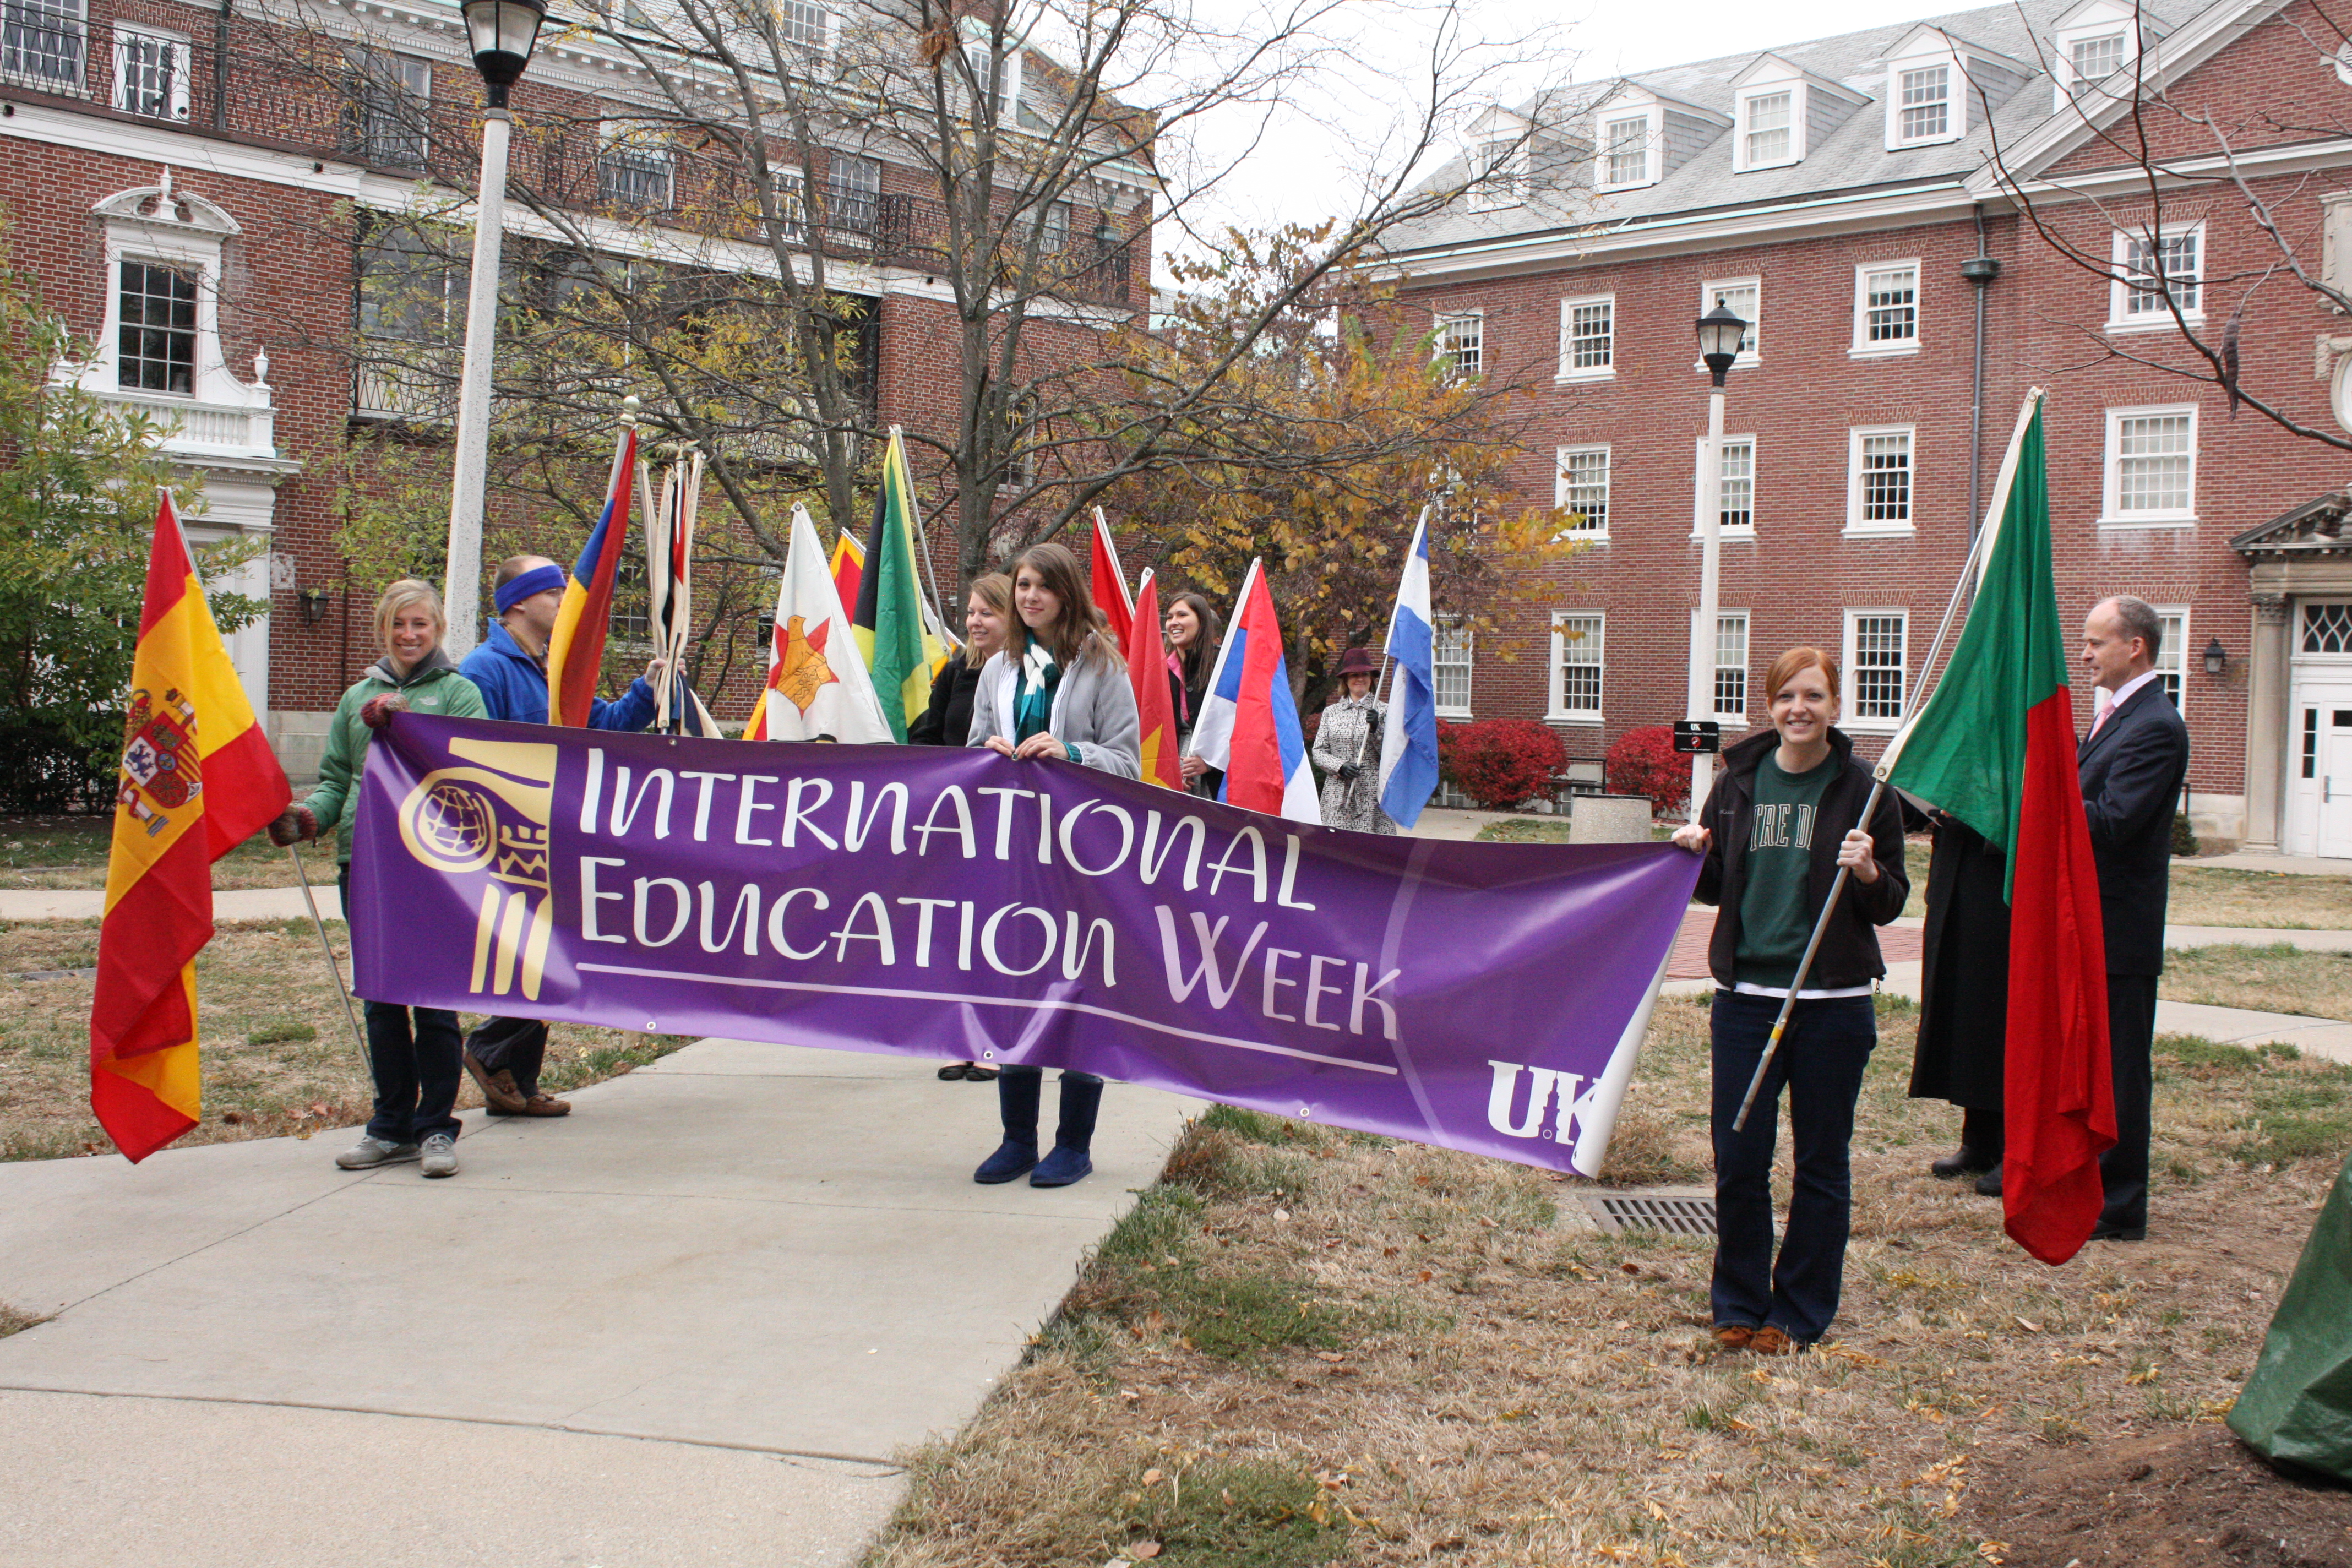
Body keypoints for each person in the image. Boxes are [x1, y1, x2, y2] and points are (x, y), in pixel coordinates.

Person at [1672, 647, 1909, 1354]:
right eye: (1785, 697)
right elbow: (1719, 882)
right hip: (1747, 998)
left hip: (1832, 1003)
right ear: (1769, 707)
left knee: (1820, 1162)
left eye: (1813, 696)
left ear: (1835, 707)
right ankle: (1739, 1302)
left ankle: (1798, 1312)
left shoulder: (1867, 792)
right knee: (1739, 1158)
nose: (1798, 709)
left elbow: (1891, 903)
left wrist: (1868, 869)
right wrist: (1692, 854)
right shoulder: (1739, 782)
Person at [268, 580, 488, 1178]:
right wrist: (309, 816)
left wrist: (406, 722)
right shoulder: (355, 698)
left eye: (420, 624)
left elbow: (471, 773)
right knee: (383, 1000)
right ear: (383, 630)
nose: (409, 635)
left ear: (437, 629)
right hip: (362, 862)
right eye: (398, 625)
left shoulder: (460, 693)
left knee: (434, 1001)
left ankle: (437, 1128)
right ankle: (390, 1126)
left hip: (433, 866)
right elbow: (339, 779)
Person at [456, 553, 667, 1118]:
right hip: (508, 839)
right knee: (538, 956)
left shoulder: (552, 667)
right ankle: (491, 1050)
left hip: (552, 834)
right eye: (554, 593)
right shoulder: (484, 670)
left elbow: (600, 726)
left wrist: (646, 690)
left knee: (550, 953)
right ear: (519, 602)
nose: (563, 602)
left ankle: (514, 1081)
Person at [966, 541, 1141, 1188]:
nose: (1029, 596)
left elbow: (1128, 761)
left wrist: (1071, 750)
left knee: (1078, 992)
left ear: (1067, 593)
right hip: (1014, 854)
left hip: (1082, 858)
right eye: (1022, 585)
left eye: (1042, 585)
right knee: (1016, 986)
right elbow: (970, 752)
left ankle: (1074, 1143)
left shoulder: (1104, 667)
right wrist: (985, 751)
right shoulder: (997, 670)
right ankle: (1017, 1138)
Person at [2078, 594, 2191, 1242]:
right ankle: (2093, 1179)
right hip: (2092, 922)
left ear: (2135, 647)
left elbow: (2115, 823)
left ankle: (2120, 1202)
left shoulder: (2154, 724)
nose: (2086, 654)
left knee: (2122, 1066)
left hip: (2120, 927)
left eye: (2096, 642)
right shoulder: (2113, 716)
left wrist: (2044, 807)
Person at [910, 571, 1012, 1082]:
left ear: (1011, 617)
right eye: (970, 612)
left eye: (986, 612)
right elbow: (928, 735)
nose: (974, 621)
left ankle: (992, 1039)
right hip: (955, 826)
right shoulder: (954, 671)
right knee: (954, 933)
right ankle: (955, 1037)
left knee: (995, 936)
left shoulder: (1028, 676)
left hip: (1009, 831)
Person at [1909, 813, 2011, 1195]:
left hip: (1999, 873)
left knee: (1993, 1006)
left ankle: (2010, 1144)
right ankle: (1979, 1137)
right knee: (1965, 1004)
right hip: (1958, 859)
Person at [1310, 646, 1395, 834]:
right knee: (1335, 844)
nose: (1360, 679)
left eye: (1364, 674)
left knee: (1370, 847)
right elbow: (1319, 751)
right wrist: (1339, 766)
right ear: (1346, 680)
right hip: (1337, 791)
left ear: (1371, 678)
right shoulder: (1331, 713)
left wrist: (1377, 730)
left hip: (1371, 791)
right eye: (1354, 675)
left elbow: (1392, 754)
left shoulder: (1384, 711)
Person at [1163, 590, 1223, 799]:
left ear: (1202, 622)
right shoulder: (1162, 671)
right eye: (1169, 617)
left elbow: (1244, 726)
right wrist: (1169, 771)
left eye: (1182, 615)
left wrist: (1212, 762)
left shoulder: (1224, 668)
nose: (1173, 622)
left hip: (1218, 781)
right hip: (1174, 773)